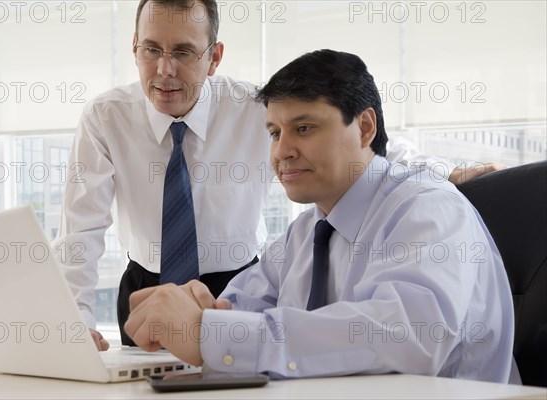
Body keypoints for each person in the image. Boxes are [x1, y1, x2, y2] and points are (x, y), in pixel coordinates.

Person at [54, 0, 504, 350]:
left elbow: (367, 147)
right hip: (149, 283)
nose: (165, 70)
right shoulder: (106, 117)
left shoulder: (256, 105)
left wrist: (442, 173)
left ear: (214, 58)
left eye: (184, 52)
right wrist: (74, 326)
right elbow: (80, 232)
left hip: (231, 274)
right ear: (135, 48)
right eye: (152, 50)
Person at [123, 50, 516, 383]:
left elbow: (405, 339)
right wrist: (198, 310)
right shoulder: (307, 232)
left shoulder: (429, 209)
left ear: (364, 128)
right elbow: (235, 311)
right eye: (275, 133)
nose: (282, 152)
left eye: (304, 128)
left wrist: (210, 334)